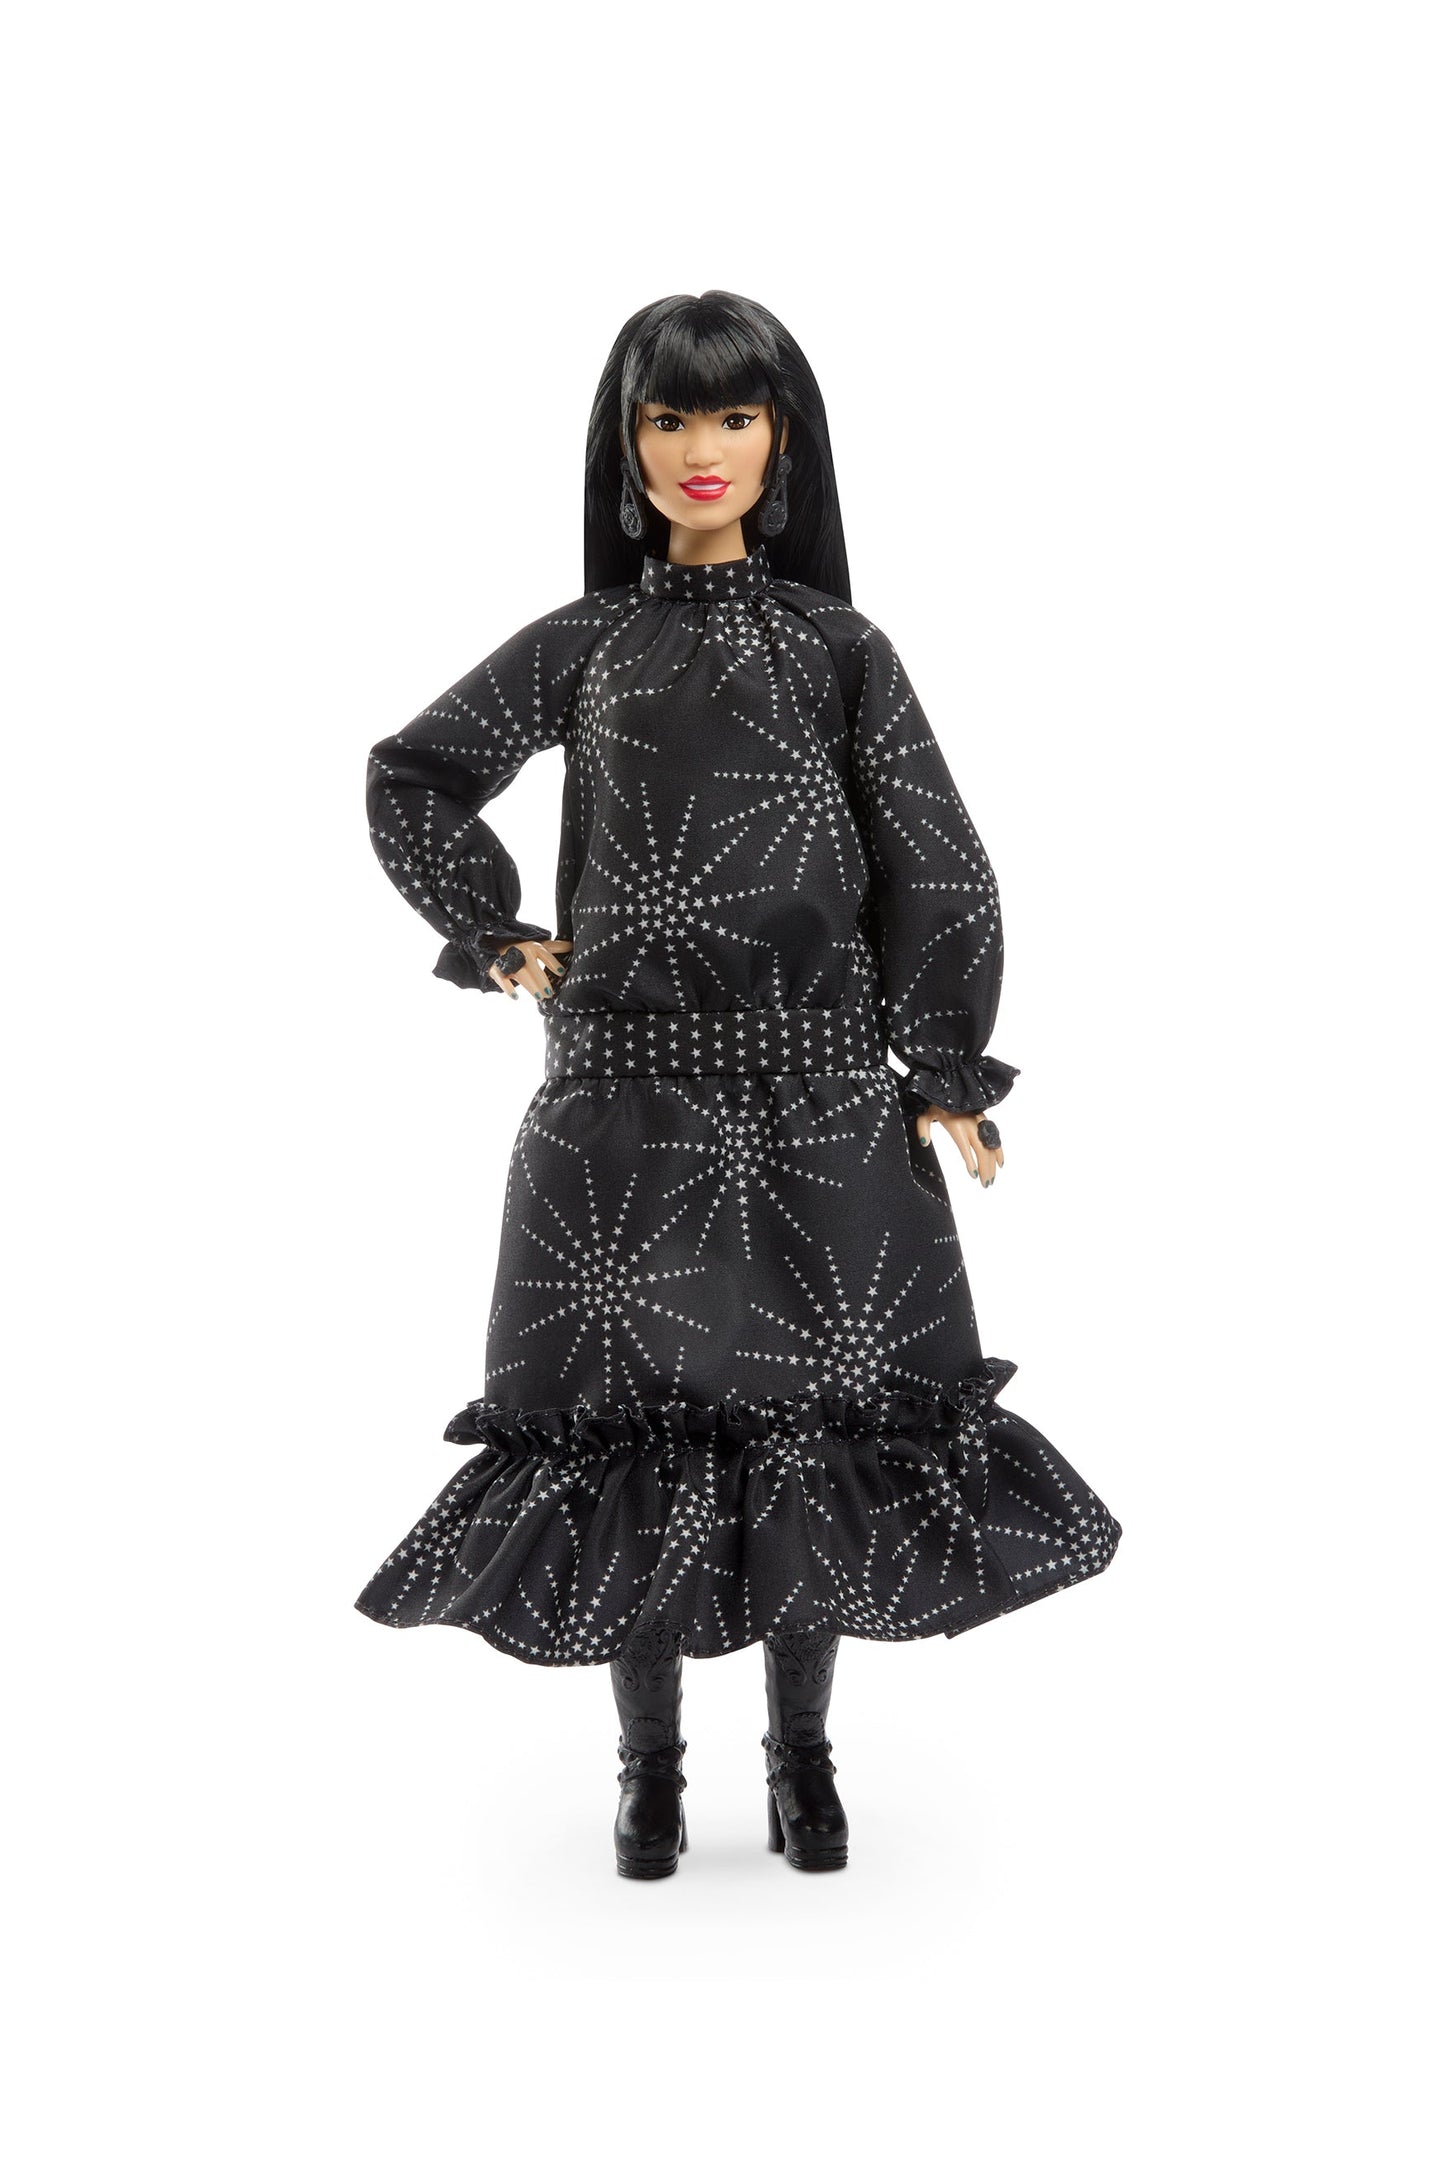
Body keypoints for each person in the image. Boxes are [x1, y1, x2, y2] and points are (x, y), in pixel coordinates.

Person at [355, 289, 1121, 1878]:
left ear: (782, 443)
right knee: (633, 1426)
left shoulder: (840, 650)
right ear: (624, 444)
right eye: (666, 417)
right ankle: (647, 1769)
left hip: (821, 1092)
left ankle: (801, 1757)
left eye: (732, 416)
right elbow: (413, 772)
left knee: (812, 1422)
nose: (698, 448)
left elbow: (930, 855)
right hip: (619, 1096)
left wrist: (945, 1063)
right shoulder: (583, 644)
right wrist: (494, 932)